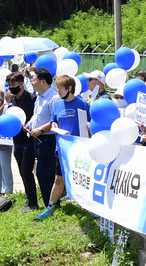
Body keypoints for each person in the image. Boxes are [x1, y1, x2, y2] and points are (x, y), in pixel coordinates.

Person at [34, 75, 90, 220]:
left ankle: (90, 208)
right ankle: (50, 207)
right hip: (62, 149)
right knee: (59, 179)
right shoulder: (58, 104)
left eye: (60, 88)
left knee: (82, 179)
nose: (57, 90)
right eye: (57, 87)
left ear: (69, 88)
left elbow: (91, 121)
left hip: (80, 149)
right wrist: (54, 125)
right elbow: (53, 120)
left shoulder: (82, 104)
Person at [6, 70, 38, 213]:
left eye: (14, 84)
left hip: (29, 139)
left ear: (21, 83)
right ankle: (28, 199)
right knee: (21, 170)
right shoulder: (12, 100)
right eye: (9, 85)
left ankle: (33, 202)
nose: (11, 87)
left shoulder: (32, 98)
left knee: (26, 170)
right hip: (16, 139)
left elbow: (37, 117)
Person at [25, 67, 58, 209]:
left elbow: (55, 121)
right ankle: (49, 205)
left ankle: (51, 206)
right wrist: (30, 124)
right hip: (37, 139)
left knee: (44, 174)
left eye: (34, 79)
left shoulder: (54, 98)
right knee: (42, 173)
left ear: (43, 81)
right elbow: (36, 115)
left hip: (48, 140)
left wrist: (41, 129)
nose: (32, 82)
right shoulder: (39, 96)